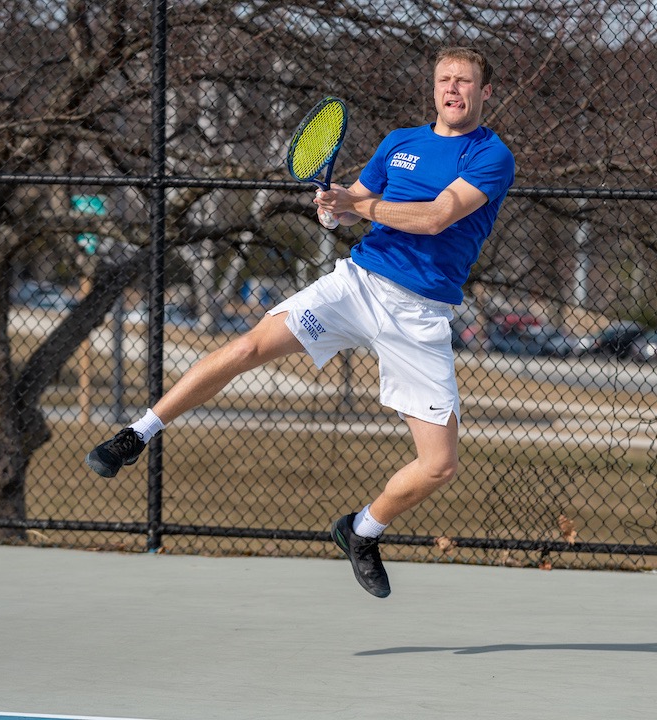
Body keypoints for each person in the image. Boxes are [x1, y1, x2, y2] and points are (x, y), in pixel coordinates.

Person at [86, 46, 515, 598]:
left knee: (439, 465)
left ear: (485, 93)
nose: (453, 88)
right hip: (358, 284)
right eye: (444, 79)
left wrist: (358, 208)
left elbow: (435, 217)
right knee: (247, 348)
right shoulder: (399, 143)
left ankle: (360, 531)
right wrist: (335, 206)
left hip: (421, 315)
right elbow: (354, 197)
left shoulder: (491, 155)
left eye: (465, 81)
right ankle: (135, 435)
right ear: (433, 88)